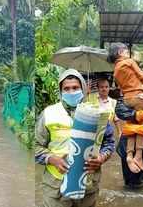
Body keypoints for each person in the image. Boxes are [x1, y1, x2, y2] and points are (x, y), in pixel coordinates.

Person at [35, 69, 115, 207]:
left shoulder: (97, 114)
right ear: (61, 92)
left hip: (87, 185)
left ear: (83, 89)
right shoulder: (48, 113)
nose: (71, 92)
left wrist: (101, 158)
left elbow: (109, 143)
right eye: (66, 88)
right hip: (56, 187)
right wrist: (51, 159)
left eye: (75, 88)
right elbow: (35, 146)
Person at [107, 42, 143, 173]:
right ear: (120, 53)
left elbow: (121, 87)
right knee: (141, 125)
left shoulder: (116, 70)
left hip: (127, 99)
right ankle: (138, 156)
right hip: (139, 96)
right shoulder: (129, 62)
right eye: (126, 51)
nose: (128, 53)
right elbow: (142, 76)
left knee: (132, 127)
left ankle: (129, 155)